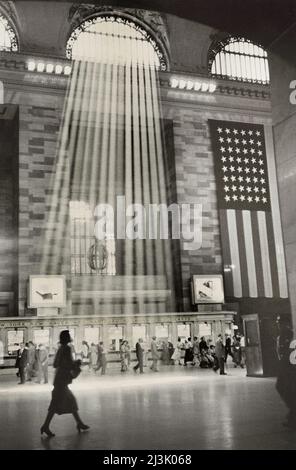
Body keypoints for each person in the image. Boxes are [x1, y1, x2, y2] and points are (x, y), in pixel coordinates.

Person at [40, 330, 89, 437]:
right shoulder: (66, 348)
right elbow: (69, 364)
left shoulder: (60, 349)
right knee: (58, 404)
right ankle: (46, 426)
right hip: (62, 381)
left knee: (68, 402)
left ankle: (78, 423)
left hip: (59, 380)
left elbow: (55, 364)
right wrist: (77, 363)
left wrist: (68, 364)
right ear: (67, 338)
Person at [276, 323, 296, 429]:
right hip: (287, 378)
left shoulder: (290, 350)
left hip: (288, 379)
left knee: (289, 394)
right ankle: (292, 416)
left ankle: (292, 417)